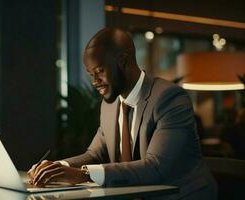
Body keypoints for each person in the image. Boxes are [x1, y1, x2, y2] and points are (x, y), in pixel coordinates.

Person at [28, 28, 217, 199]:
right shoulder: (109, 105)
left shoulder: (169, 99)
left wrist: (84, 174)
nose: (95, 81)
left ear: (124, 61)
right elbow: (94, 154)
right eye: (90, 73)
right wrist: (58, 167)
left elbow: (156, 167)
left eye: (99, 71)